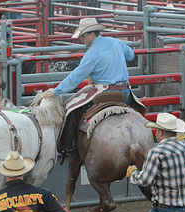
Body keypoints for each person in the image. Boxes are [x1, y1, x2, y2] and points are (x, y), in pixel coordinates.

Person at [42, 17, 137, 153]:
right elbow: (131, 55)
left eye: (83, 36)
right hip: (125, 91)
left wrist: (56, 91)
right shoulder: (116, 42)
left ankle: (68, 146)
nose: (81, 39)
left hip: (104, 92)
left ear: (92, 34)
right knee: (138, 109)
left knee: (71, 109)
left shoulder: (91, 55)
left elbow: (76, 76)